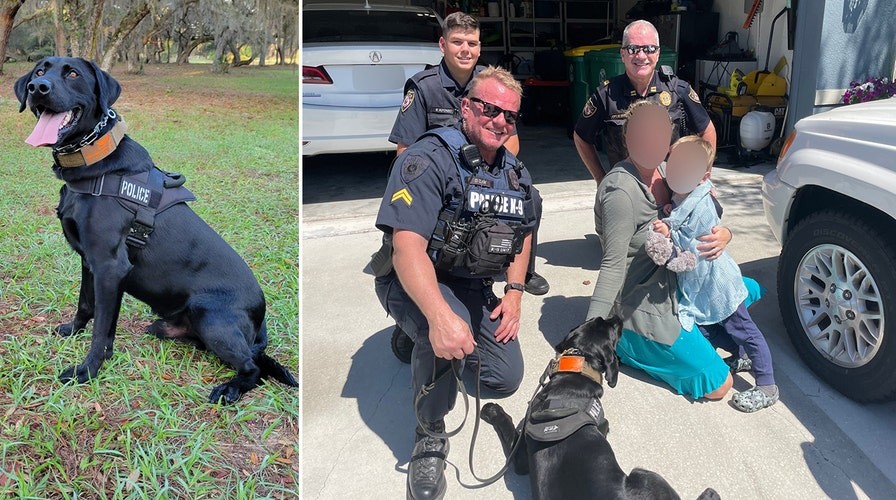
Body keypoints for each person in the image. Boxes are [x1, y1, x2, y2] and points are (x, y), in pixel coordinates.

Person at [374, 67, 537, 500]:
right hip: (412, 280)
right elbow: (406, 249)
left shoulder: (515, 174)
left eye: (510, 115)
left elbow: (524, 234)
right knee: (443, 327)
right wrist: (439, 317)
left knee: (503, 377)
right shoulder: (428, 159)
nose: (499, 120)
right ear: (466, 107)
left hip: (471, 285)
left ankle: (423, 341)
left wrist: (516, 292)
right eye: (489, 107)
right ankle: (429, 437)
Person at [586, 99, 742, 401]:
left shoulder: (667, 169)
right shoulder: (621, 192)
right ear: (627, 139)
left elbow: (707, 211)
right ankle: (625, 345)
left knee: (744, 290)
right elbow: (612, 267)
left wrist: (726, 235)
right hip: (640, 303)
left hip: (677, 278)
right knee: (720, 386)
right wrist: (587, 345)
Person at [389, 11, 549, 295]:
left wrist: (495, 177)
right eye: (457, 42)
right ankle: (423, 281)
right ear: (442, 45)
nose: (466, 50)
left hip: (486, 174)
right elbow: (405, 150)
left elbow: (511, 140)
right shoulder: (424, 87)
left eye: (472, 43)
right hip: (443, 179)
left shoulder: (490, 82)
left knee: (530, 197)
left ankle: (521, 271)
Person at [650, 135, 778, 412]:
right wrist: (671, 213)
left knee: (745, 330)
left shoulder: (704, 205)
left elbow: (694, 251)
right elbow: (678, 213)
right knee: (710, 328)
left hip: (717, 284)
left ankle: (767, 384)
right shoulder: (682, 192)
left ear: (703, 175)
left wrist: (668, 239)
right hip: (701, 286)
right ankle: (742, 357)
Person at [573, 19, 718, 185]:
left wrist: (703, 178)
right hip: (625, 190)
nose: (641, 56)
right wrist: (601, 179)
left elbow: (707, 131)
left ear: (657, 54)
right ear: (622, 54)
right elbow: (581, 137)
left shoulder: (678, 90)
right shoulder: (606, 94)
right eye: (633, 49)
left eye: (649, 49)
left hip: (671, 190)